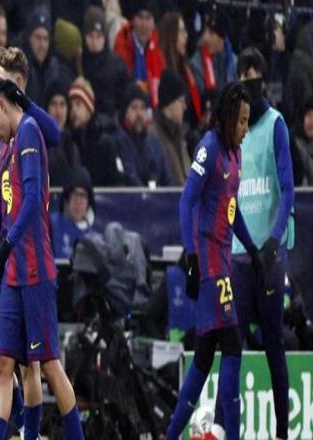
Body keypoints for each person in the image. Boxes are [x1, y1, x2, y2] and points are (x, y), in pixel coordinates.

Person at [0, 77, 84, 440]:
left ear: (3, 106)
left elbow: (33, 199)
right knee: (2, 362)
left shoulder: (28, 132)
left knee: (48, 365)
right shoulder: (8, 143)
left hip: (35, 268)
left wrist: (6, 244)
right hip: (12, 272)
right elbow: (4, 200)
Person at [165, 82, 262, 440]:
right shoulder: (209, 149)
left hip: (224, 259)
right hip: (208, 261)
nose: (245, 129)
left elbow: (231, 209)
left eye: (248, 121)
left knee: (205, 357)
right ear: (227, 117)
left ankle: (170, 435)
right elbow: (186, 201)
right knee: (232, 342)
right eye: (242, 121)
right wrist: (192, 257)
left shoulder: (235, 155)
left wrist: (251, 249)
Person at [212, 47, 294, 440]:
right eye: (243, 75)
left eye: (254, 74)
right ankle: (220, 426)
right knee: (232, 342)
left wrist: (274, 239)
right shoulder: (232, 134)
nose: (249, 80)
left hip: (269, 255)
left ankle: (282, 431)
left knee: (274, 343)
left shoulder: (276, 125)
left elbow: (288, 188)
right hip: (238, 256)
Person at [69, 76, 125, 186]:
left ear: (89, 107)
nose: (73, 110)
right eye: (71, 105)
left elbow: (118, 181)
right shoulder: (68, 142)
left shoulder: (106, 144)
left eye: (78, 104)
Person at [114, 83, 171, 186]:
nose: (139, 114)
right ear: (125, 113)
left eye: (142, 108)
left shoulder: (153, 142)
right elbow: (130, 179)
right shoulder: (120, 141)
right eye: (134, 108)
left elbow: (167, 179)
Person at [82, 5, 133, 117]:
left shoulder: (117, 65)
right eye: (90, 36)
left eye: (99, 37)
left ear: (105, 37)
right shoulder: (79, 63)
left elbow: (127, 94)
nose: (94, 42)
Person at [114, 0, 164, 107]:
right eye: (140, 17)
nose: (144, 25)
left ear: (154, 23)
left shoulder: (159, 48)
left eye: (148, 18)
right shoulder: (121, 48)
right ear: (133, 20)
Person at [158, 11, 202, 128]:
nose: (186, 36)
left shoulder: (186, 68)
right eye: (181, 32)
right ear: (171, 35)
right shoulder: (161, 68)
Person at [147, 69, 190, 186]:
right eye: (182, 101)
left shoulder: (180, 134)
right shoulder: (153, 136)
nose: (185, 107)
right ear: (170, 103)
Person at [190, 6, 236, 98]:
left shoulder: (235, 63)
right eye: (204, 31)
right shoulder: (196, 64)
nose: (205, 37)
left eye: (211, 33)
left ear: (222, 37)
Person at [51, 166, 95, 259]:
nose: (78, 201)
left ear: (89, 202)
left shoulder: (94, 239)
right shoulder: (50, 225)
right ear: (67, 199)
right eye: (75, 195)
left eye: (83, 196)